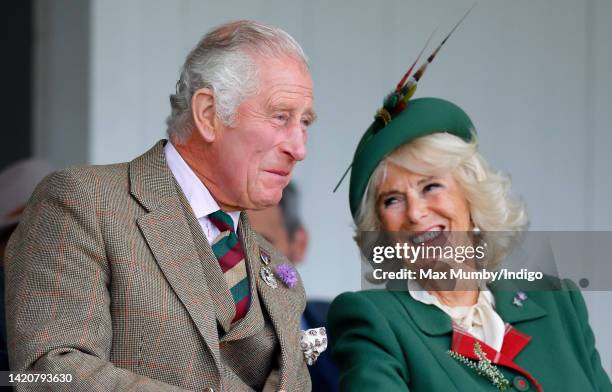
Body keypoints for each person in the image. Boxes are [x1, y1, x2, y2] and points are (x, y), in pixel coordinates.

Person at [5, 20, 316, 391]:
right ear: (208, 114)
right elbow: (47, 370)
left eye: (305, 122)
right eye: (280, 117)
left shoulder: (279, 268)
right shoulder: (83, 201)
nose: (299, 149)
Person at [327, 55, 612, 390]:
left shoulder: (557, 300)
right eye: (392, 200)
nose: (416, 213)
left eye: (431, 186)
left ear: (472, 198)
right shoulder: (374, 321)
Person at [248, 183, 340, 391]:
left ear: (299, 244)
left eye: (262, 244)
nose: (242, 260)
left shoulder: (345, 327)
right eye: (229, 242)